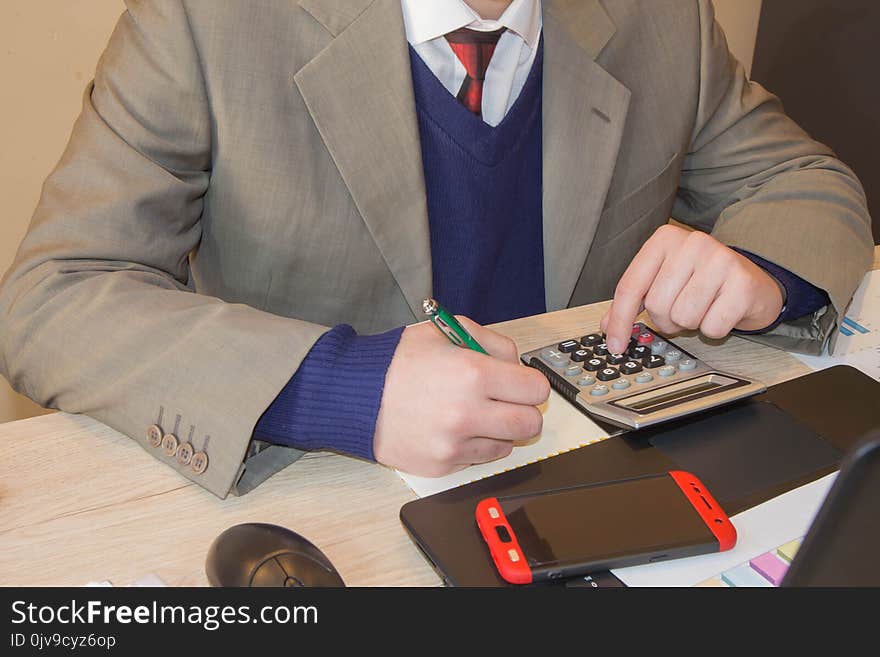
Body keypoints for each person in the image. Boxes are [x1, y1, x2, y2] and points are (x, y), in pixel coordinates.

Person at [0, 0, 872, 499]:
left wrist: (763, 270)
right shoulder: (205, 17)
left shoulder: (662, 15)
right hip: (327, 508)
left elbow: (803, 179)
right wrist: (337, 386)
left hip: (599, 495)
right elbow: (52, 294)